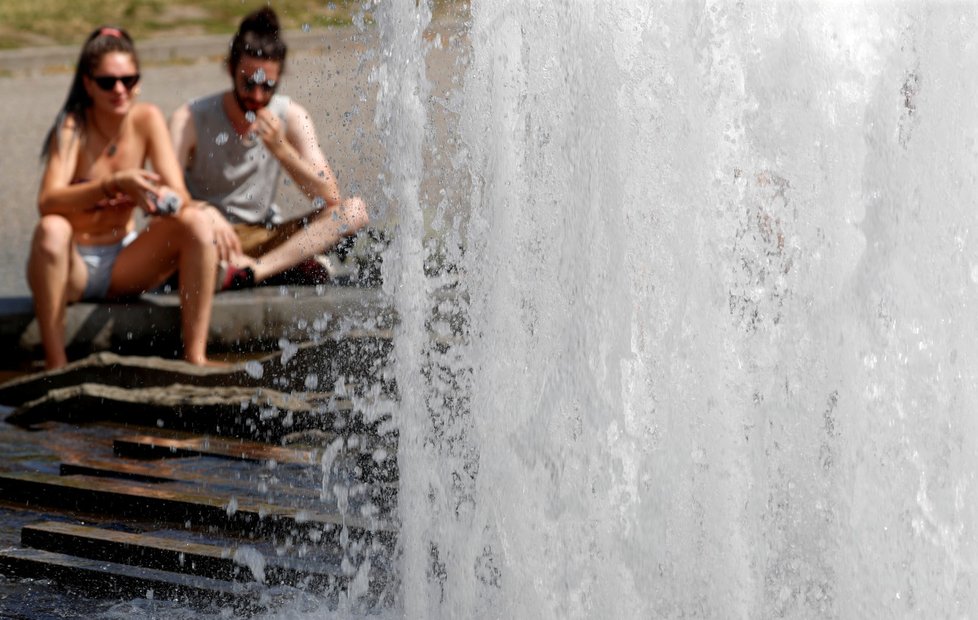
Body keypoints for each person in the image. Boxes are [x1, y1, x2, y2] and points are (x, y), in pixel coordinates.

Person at [28, 26, 220, 370]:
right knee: (52, 229)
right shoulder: (74, 126)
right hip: (71, 267)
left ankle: (196, 359)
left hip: (123, 261)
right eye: (108, 82)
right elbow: (48, 201)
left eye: (129, 80)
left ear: (139, 82)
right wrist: (113, 184)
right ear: (88, 84)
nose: (120, 90)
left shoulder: (147, 119)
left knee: (196, 223)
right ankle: (55, 367)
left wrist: (160, 200)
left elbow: (181, 195)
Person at [169, 7, 369, 289]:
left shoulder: (291, 116)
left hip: (264, 237)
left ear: (279, 78)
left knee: (354, 211)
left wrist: (281, 149)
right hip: (207, 236)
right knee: (183, 234)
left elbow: (329, 196)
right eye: (248, 84)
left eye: (268, 86)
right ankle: (285, 265)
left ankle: (254, 272)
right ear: (230, 69)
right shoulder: (190, 118)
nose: (257, 96)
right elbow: (168, 197)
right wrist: (203, 213)